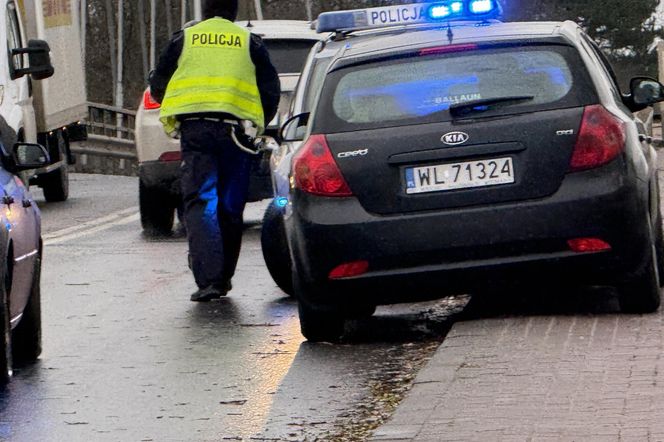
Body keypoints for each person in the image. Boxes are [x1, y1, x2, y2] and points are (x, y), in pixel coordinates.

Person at [149, 0, 280, 302]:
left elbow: (159, 84)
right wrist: (259, 124)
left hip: (196, 131)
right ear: (234, 12)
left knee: (199, 202)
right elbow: (269, 90)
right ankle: (223, 278)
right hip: (236, 133)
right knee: (231, 206)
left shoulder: (185, 39)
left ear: (203, 11)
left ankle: (209, 280)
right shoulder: (250, 43)